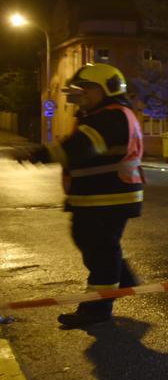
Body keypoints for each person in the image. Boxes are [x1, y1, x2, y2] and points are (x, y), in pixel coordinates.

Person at [11, 64, 144, 328]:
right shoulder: (105, 115)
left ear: (107, 89)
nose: (80, 94)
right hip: (102, 196)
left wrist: (39, 155)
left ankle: (97, 308)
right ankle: (121, 279)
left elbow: (79, 149)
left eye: (86, 88)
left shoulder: (110, 117)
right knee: (95, 244)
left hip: (108, 197)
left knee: (100, 250)